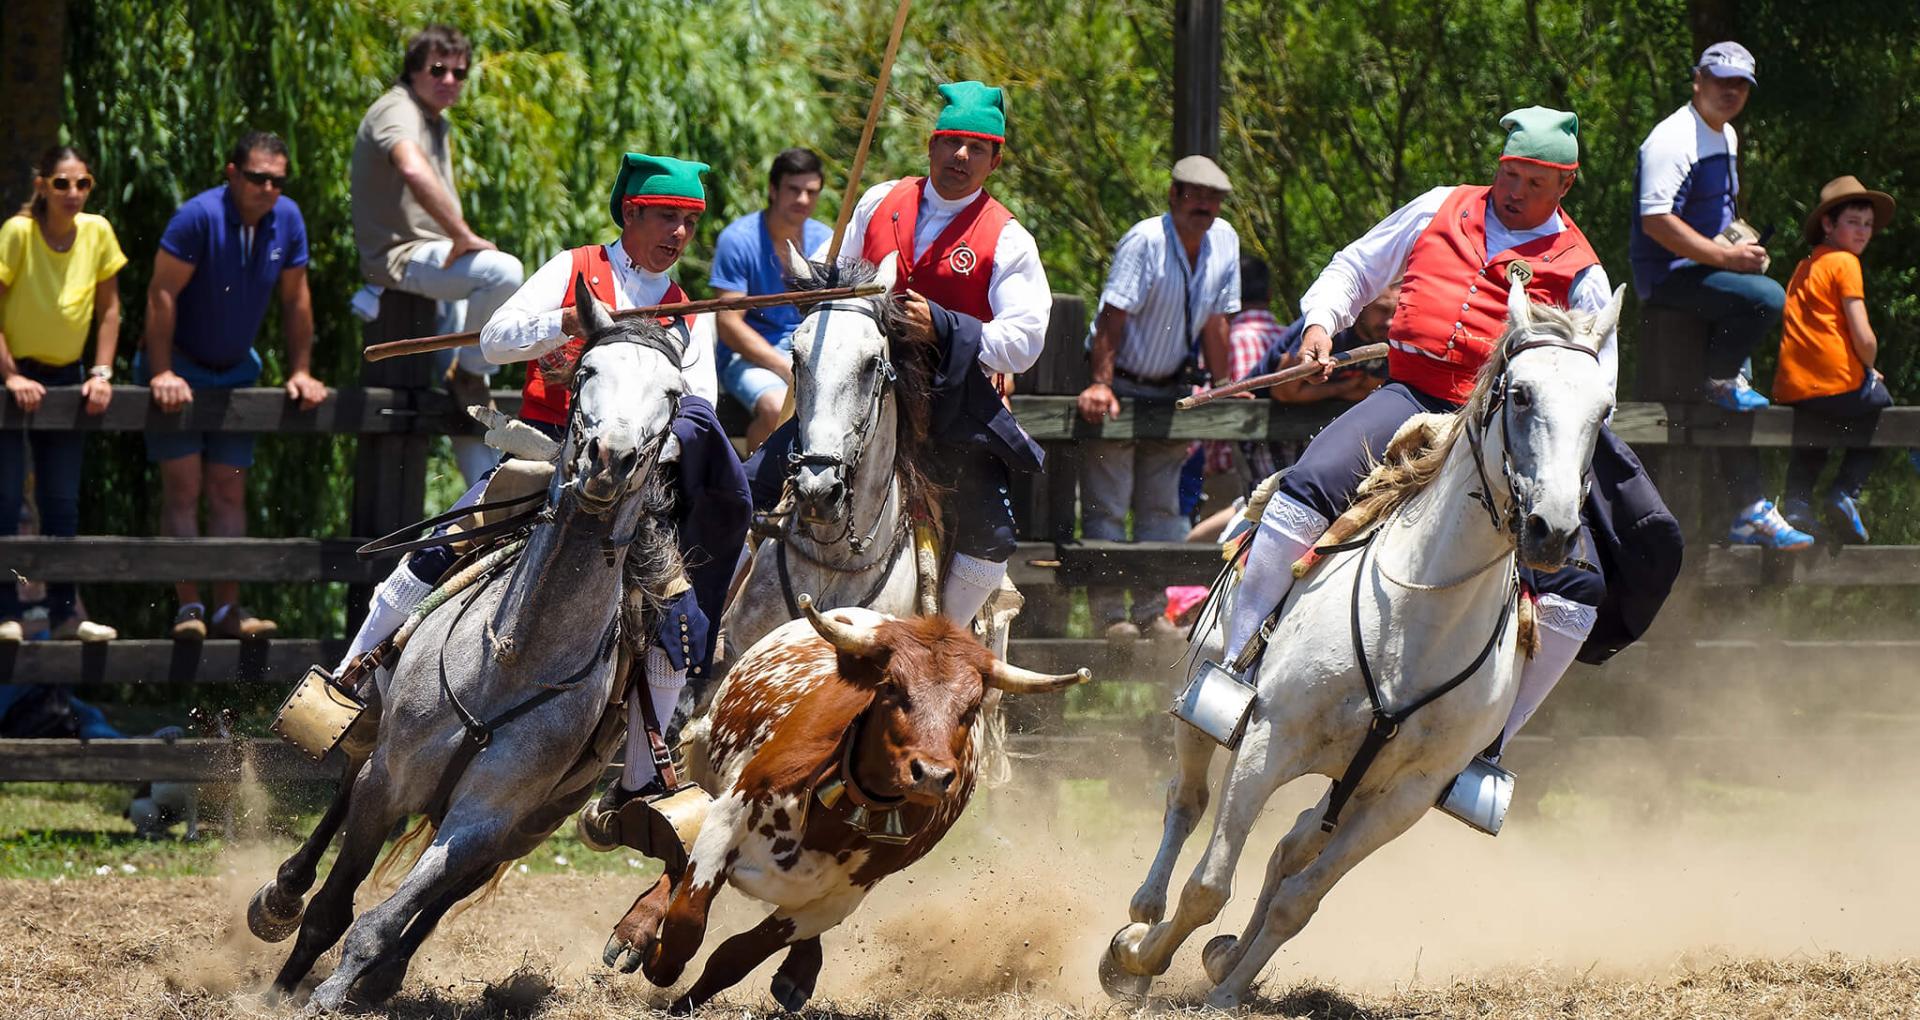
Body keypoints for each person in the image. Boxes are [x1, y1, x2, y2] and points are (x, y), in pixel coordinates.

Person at [1221, 108, 1678, 794]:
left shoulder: (1581, 271)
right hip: (1411, 397)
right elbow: (1356, 266)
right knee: (1308, 485)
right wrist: (1320, 324)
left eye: (1532, 180)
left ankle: (1485, 748)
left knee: (1577, 587)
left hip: (1502, 435)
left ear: (1565, 186)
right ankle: (1235, 668)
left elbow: (1594, 384)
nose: (1513, 189)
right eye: (1508, 172)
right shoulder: (1441, 206)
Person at [335, 153, 748, 815]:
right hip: (547, 459)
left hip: (632, 487)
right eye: (667, 217)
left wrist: (646, 447)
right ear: (632, 213)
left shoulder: (686, 309)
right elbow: (496, 340)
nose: (678, 234)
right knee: (433, 553)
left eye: (690, 223)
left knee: (679, 613)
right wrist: (563, 323)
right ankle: (346, 687)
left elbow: (699, 405)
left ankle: (643, 775)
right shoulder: (574, 266)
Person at [747, 80, 1053, 629]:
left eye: (976, 147)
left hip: (950, 406)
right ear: (931, 145)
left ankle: (945, 643)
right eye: (951, 141)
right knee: (746, 485)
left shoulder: (1008, 238)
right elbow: (830, 268)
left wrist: (943, 324)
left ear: (995, 160)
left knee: (992, 533)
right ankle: (711, 639)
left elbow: (1025, 344)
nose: (961, 155)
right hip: (855, 396)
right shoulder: (878, 201)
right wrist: (813, 286)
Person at [139, 131, 328, 639]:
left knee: (228, 491)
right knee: (183, 489)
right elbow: (161, 293)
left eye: (277, 180)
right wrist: (161, 371)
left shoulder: (286, 219)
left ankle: (228, 609)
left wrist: (301, 370)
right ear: (231, 174)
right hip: (181, 365)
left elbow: (296, 300)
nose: (268, 188)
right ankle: (190, 610)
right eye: (257, 178)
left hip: (236, 372)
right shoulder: (197, 218)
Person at [1629, 41, 1810, 549]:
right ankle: (1717, 376)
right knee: (1768, 299)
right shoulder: (1672, 138)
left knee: (1742, 397)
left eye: (1740, 84)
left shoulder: (1725, 134)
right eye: (1720, 80)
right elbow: (1656, 221)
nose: (1729, 91)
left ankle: (1749, 508)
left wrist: (1741, 247)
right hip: (1670, 279)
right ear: (1697, 80)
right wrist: (1729, 262)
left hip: (1706, 270)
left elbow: (1714, 214)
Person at [351, 23, 523, 486]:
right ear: (413, 71)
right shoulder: (397, 109)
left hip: (435, 265)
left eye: (459, 73)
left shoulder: (434, 119)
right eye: (439, 70)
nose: (450, 80)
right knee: (503, 272)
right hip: (401, 258)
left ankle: (484, 507)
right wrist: (463, 236)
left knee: (469, 404)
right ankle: (468, 370)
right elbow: (409, 166)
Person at [1077, 156, 1240, 641]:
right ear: (1173, 195)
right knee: (1107, 506)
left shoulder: (1224, 242)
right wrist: (1101, 383)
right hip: (1121, 383)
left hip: (1170, 389)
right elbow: (1113, 315)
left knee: (1162, 511)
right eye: (1194, 195)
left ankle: (1151, 613)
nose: (1204, 206)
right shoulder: (1146, 239)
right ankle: (1110, 617)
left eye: (1213, 199)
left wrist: (1224, 384)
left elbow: (1216, 322)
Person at [0, 145, 124, 644]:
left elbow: (110, 310)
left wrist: (101, 372)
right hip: (12, 374)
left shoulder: (97, 232)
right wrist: (10, 376)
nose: (73, 193)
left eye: (83, 184)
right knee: (6, 499)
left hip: (70, 374)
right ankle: (5, 610)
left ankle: (66, 613)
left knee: (61, 503)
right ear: (42, 186)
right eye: (62, 184)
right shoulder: (18, 233)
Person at [1773, 176, 1897, 543]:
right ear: (1829, 224)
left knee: (1814, 436)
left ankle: (1797, 505)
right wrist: (1869, 366)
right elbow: (1863, 335)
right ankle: (1845, 492)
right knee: (1882, 407)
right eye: (1853, 222)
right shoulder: (1846, 263)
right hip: (1835, 378)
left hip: (1795, 385)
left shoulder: (1804, 267)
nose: (1862, 232)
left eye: (1868, 225)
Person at [708, 148, 831, 448]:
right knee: (778, 408)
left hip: (806, 349)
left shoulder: (827, 239)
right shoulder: (738, 239)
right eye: (794, 190)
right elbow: (728, 323)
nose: (803, 199)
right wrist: (781, 366)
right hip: (747, 356)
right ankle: (755, 491)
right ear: (773, 190)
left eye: (811, 192)